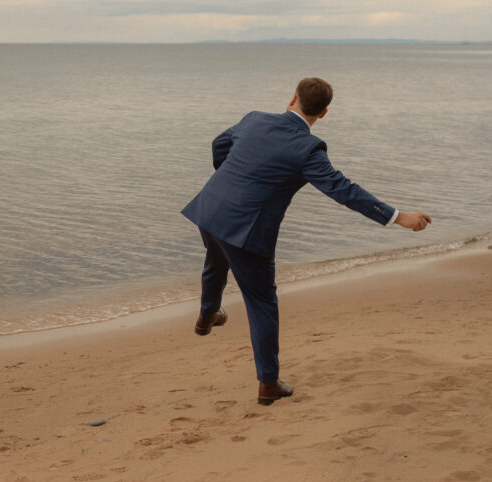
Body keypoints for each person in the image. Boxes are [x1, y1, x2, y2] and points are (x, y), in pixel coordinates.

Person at [181, 78, 431, 406]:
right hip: (246, 230)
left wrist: (233, 177)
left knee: (216, 256)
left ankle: (207, 314)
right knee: (261, 302)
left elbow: (219, 145)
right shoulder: (308, 148)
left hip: (209, 208)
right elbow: (344, 190)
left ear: (292, 98)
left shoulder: (253, 118)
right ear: (323, 113)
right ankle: (268, 384)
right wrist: (399, 217)